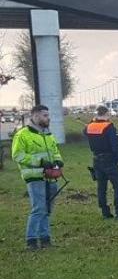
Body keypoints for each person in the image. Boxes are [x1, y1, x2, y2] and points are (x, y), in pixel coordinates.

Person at [11, 105, 64, 250]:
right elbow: (17, 155)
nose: (48, 118)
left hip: (50, 175)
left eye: (48, 115)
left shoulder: (48, 134)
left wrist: (59, 160)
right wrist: (39, 162)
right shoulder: (22, 135)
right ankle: (31, 240)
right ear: (35, 116)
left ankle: (45, 239)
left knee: (47, 209)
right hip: (34, 176)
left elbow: (55, 150)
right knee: (39, 208)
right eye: (45, 115)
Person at [84, 106, 118, 220]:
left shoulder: (89, 127)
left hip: (96, 160)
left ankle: (105, 212)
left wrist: (93, 120)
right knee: (117, 186)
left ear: (96, 114)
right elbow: (115, 146)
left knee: (101, 187)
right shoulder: (109, 126)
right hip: (109, 160)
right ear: (107, 113)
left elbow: (87, 131)